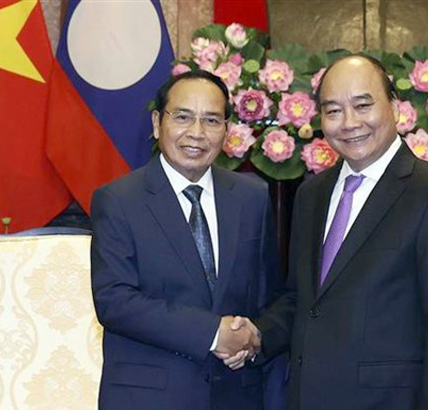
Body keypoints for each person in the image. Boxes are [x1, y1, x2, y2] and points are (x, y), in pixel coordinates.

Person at [250, 55, 428, 410]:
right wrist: (254, 337)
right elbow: (302, 299)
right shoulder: (312, 194)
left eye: (362, 105)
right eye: (333, 111)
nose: (349, 123)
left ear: (395, 107)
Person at [90, 70, 284, 410]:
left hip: (237, 395)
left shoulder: (252, 197)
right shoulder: (118, 199)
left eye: (211, 120)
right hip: (149, 398)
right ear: (156, 123)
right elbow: (115, 301)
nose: (196, 133)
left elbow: (270, 294)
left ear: (226, 130)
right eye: (182, 117)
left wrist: (254, 339)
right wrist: (213, 333)